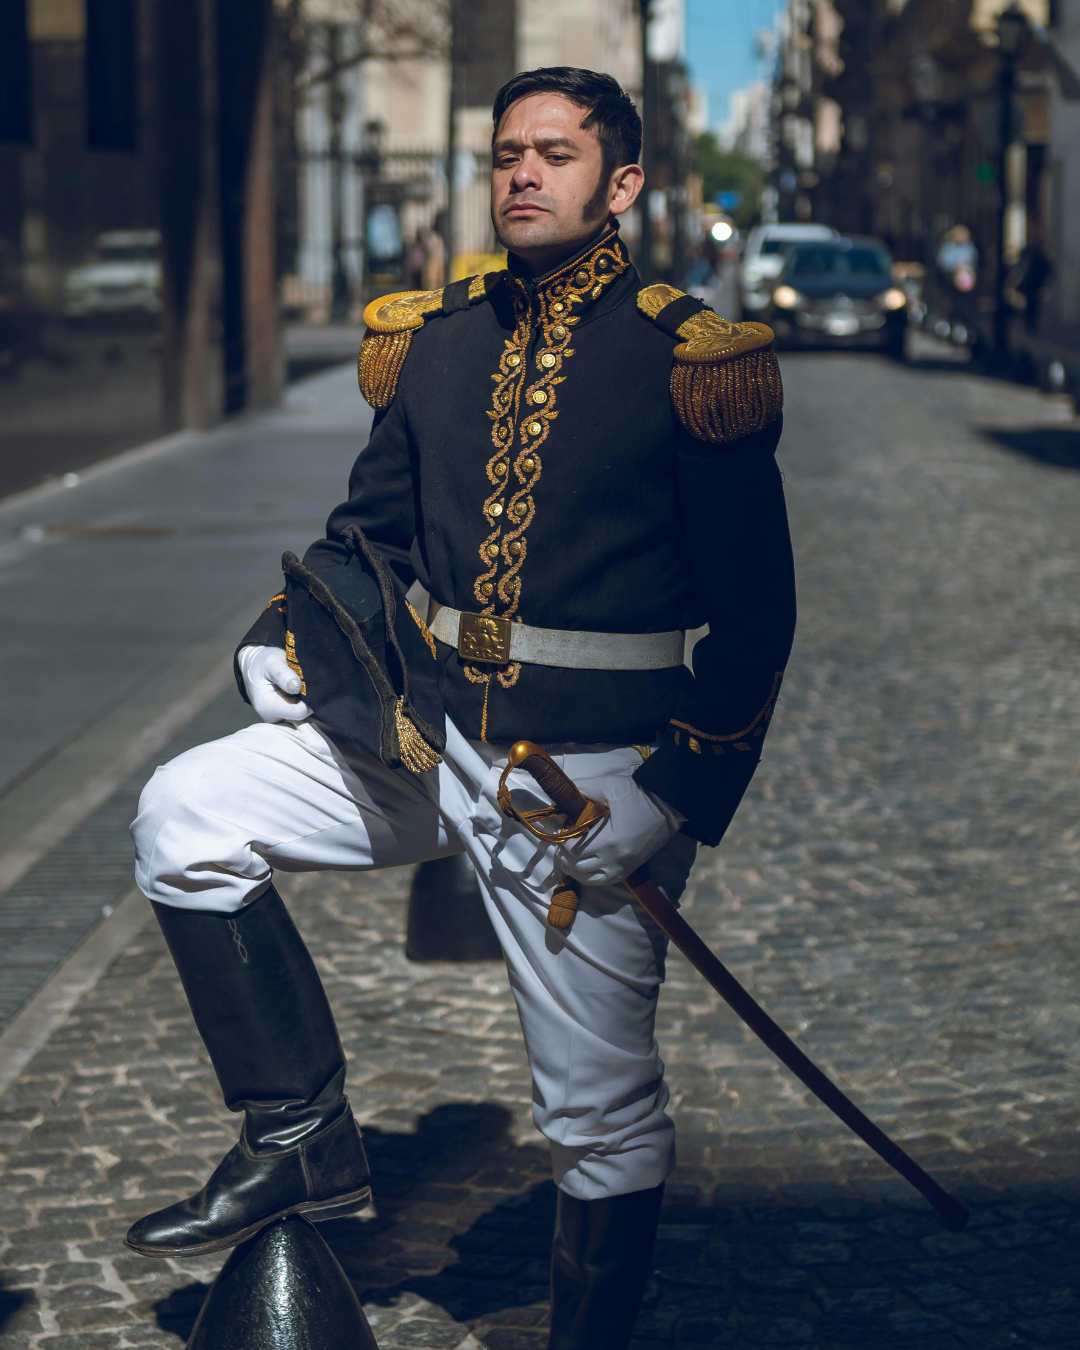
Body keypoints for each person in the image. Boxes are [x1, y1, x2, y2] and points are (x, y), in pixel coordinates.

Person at [126, 67, 796, 1350]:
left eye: (556, 153)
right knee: (185, 811)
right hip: (421, 739)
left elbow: (757, 619)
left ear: (622, 185)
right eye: (506, 154)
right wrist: (280, 637)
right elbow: (364, 538)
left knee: (597, 1111)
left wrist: (668, 796)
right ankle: (298, 1135)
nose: (523, 173)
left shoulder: (687, 359)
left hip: (584, 785)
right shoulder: (435, 338)